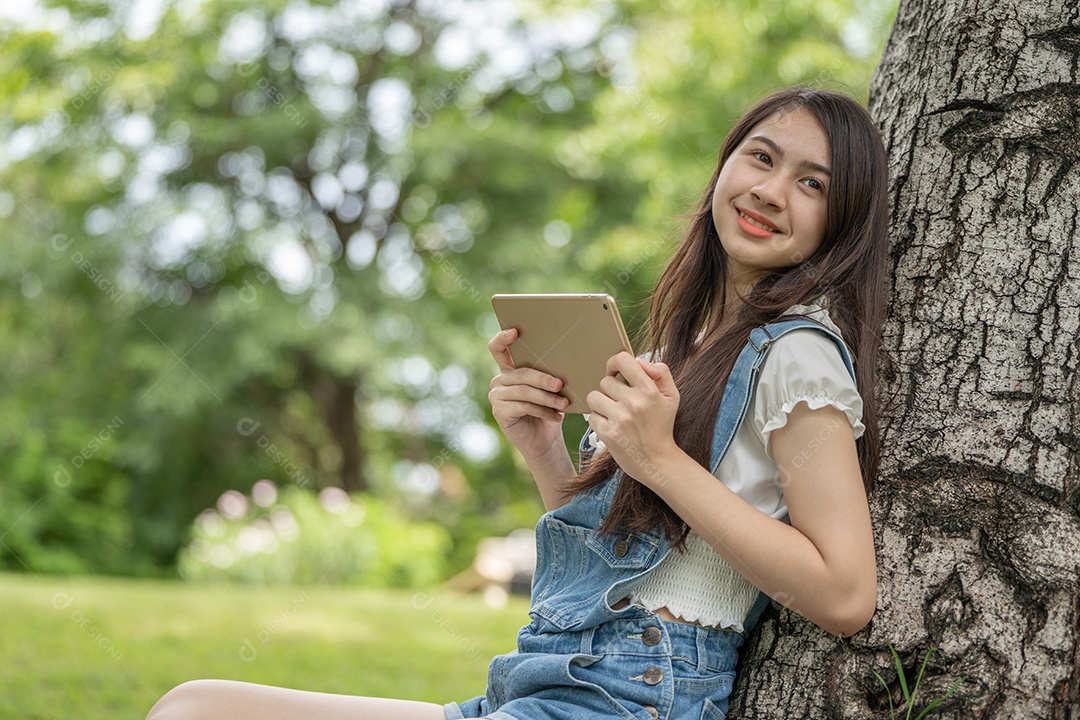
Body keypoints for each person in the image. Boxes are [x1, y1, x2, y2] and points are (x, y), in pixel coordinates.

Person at [145, 84, 888, 720]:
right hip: (542, 676)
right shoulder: (670, 359)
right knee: (193, 706)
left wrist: (658, 458)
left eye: (811, 183)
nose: (769, 190)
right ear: (725, 166)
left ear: (839, 220)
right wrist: (543, 446)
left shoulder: (797, 357)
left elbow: (846, 593)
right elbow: (621, 555)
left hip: (636, 695)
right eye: (761, 156)